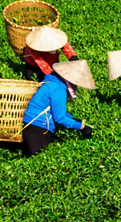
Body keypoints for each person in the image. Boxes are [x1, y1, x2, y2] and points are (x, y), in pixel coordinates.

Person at [19, 27, 91, 156]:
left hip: (36, 126)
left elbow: (58, 110)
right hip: (37, 128)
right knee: (39, 159)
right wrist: (82, 128)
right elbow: (59, 117)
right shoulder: (57, 89)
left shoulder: (54, 84)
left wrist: (74, 62)